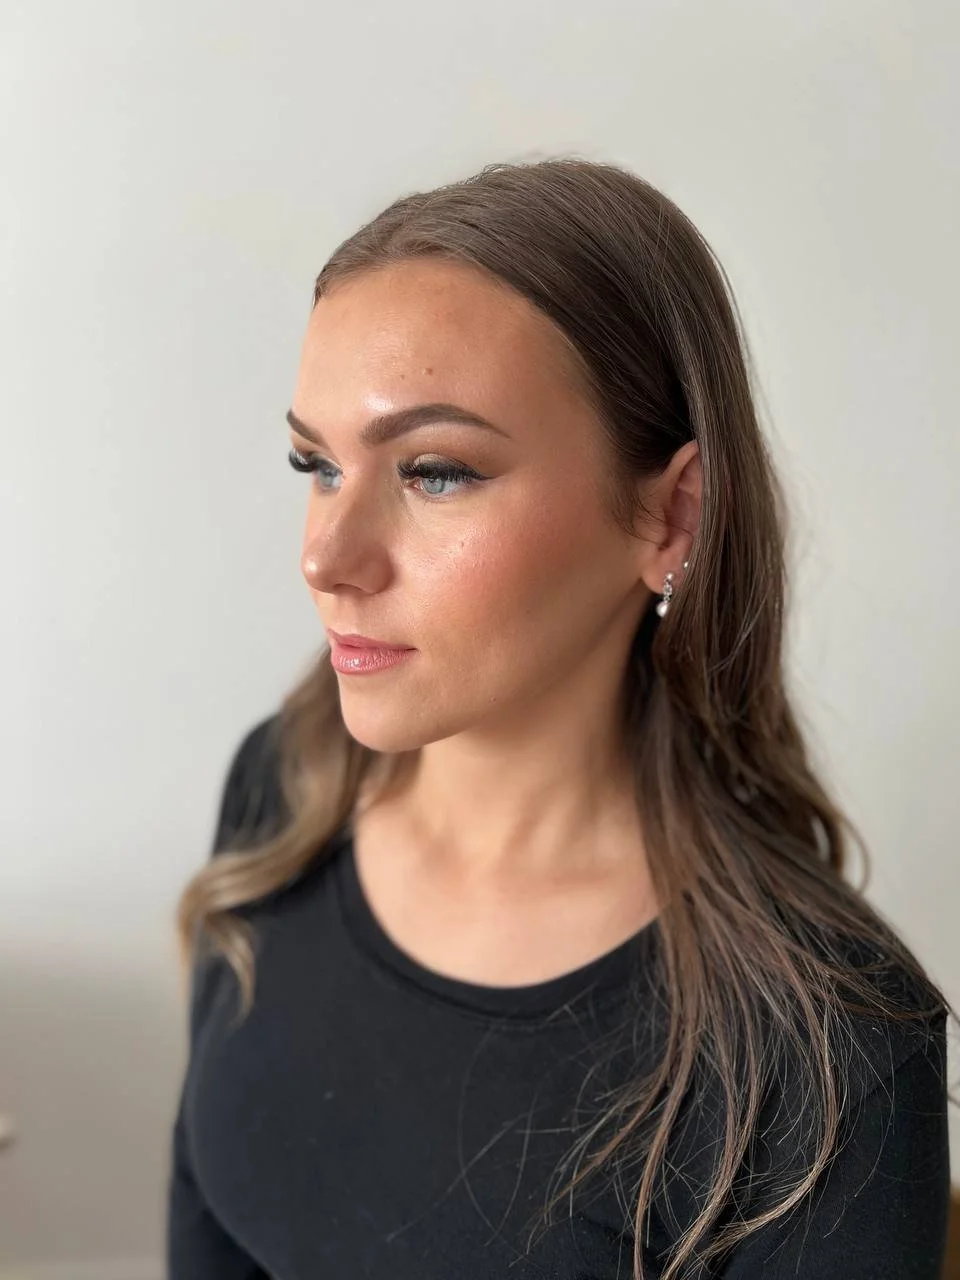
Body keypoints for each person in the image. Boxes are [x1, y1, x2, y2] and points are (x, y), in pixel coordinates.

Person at [165, 157, 954, 1280]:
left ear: (671, 514)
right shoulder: (285, 787)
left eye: (435, 471)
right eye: (317, 462)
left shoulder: (827, 1048)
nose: (324, 557)